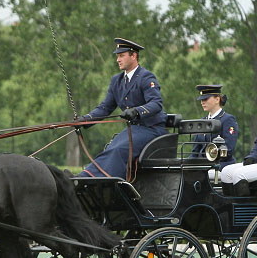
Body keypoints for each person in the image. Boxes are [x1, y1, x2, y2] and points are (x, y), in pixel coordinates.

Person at [75, 38, 167, 179]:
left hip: (152, 129)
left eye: (121, 55)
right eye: (117, 56)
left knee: (118, 149)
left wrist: (137, 111)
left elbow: (156, 104)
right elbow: (105, 107)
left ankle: (107, 182)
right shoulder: (116, 81)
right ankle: (86, 177)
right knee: (109, 149)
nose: (118, 59)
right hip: (133, 130)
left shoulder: (146, 77)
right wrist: (86, 119)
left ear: (134, 55)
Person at [188, 84, 237, 168]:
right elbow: (195, 151)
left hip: (220, 165)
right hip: (201, 165)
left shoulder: (227, 120)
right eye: (201, 99)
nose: (202, 102)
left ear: (217, 99)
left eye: (205, 99)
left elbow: (228, 149)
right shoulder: (202, 121)